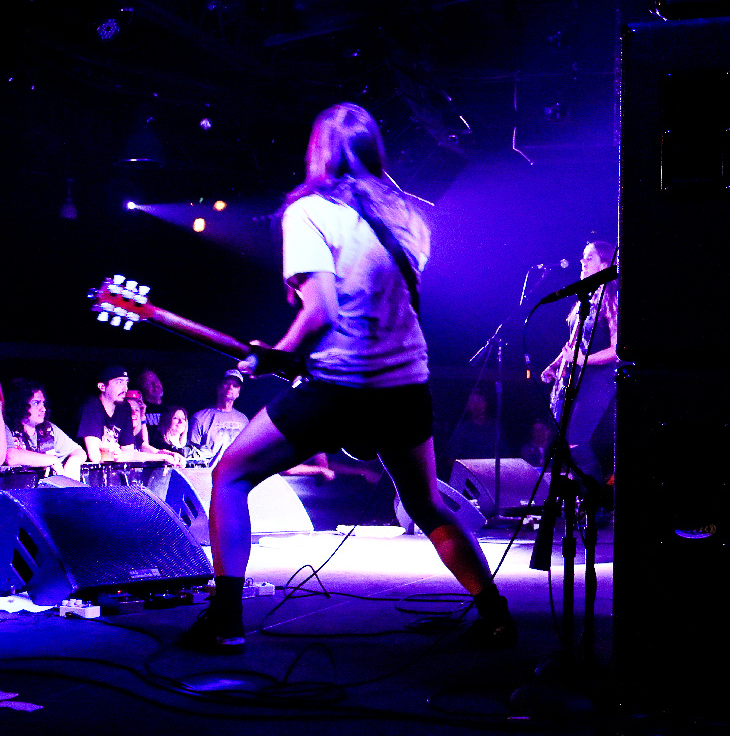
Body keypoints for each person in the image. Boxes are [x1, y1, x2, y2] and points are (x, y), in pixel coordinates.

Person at [180, 103, 513, 653]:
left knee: (230, 476)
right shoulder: (410, 219)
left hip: (339, 386)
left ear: (318, 153)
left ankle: (225, 620)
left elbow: (321, 312)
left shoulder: (310, 212)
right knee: (426, 504)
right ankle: (496, 614)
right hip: (405, 383)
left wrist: (278, 354)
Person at [540, 240, 618, 486]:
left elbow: (617, 350)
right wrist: (555, 364)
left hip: (598, 381)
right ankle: (582, 500)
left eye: (589, 257)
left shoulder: (612, 300)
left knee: (576, 443)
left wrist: (584, 360)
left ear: (604, 265)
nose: (582, 262)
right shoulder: (585, 301)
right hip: (574, 379)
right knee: (564, 445)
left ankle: (598, 500)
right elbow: (574, 343)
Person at [4, 378, 87, 480]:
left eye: (43, 403)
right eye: (36, 403)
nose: (43, 409)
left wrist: (74, 461)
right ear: (20, 404)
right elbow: (11, 456)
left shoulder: (48, 429)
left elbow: (79, 452)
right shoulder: (6, 428)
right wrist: (52, 460)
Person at [188, 370, 250, 466]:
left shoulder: (244, 420)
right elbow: (190, 454)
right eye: (227, 383)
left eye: (235, 385)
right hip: (208, 473)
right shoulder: (200, 418)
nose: (230, 387)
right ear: (219, 387)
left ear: (238, 393)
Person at [76, 365, 137, 462]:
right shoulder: (91, 406)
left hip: (112, 466)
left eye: (126, 382)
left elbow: (129, 452)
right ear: (102, 387)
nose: (125, 388)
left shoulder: (124, 408)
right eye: (119, 382)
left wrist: (118, 456)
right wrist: (116, 455)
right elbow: (95, 457)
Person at [123, 390, 184, 466]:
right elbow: (130, 454)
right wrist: (164, 457)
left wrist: (170, 454)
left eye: (137, 410)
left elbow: (146, 447)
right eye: (129, 409)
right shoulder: (118, 433)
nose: (134, 413)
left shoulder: (136, 436)